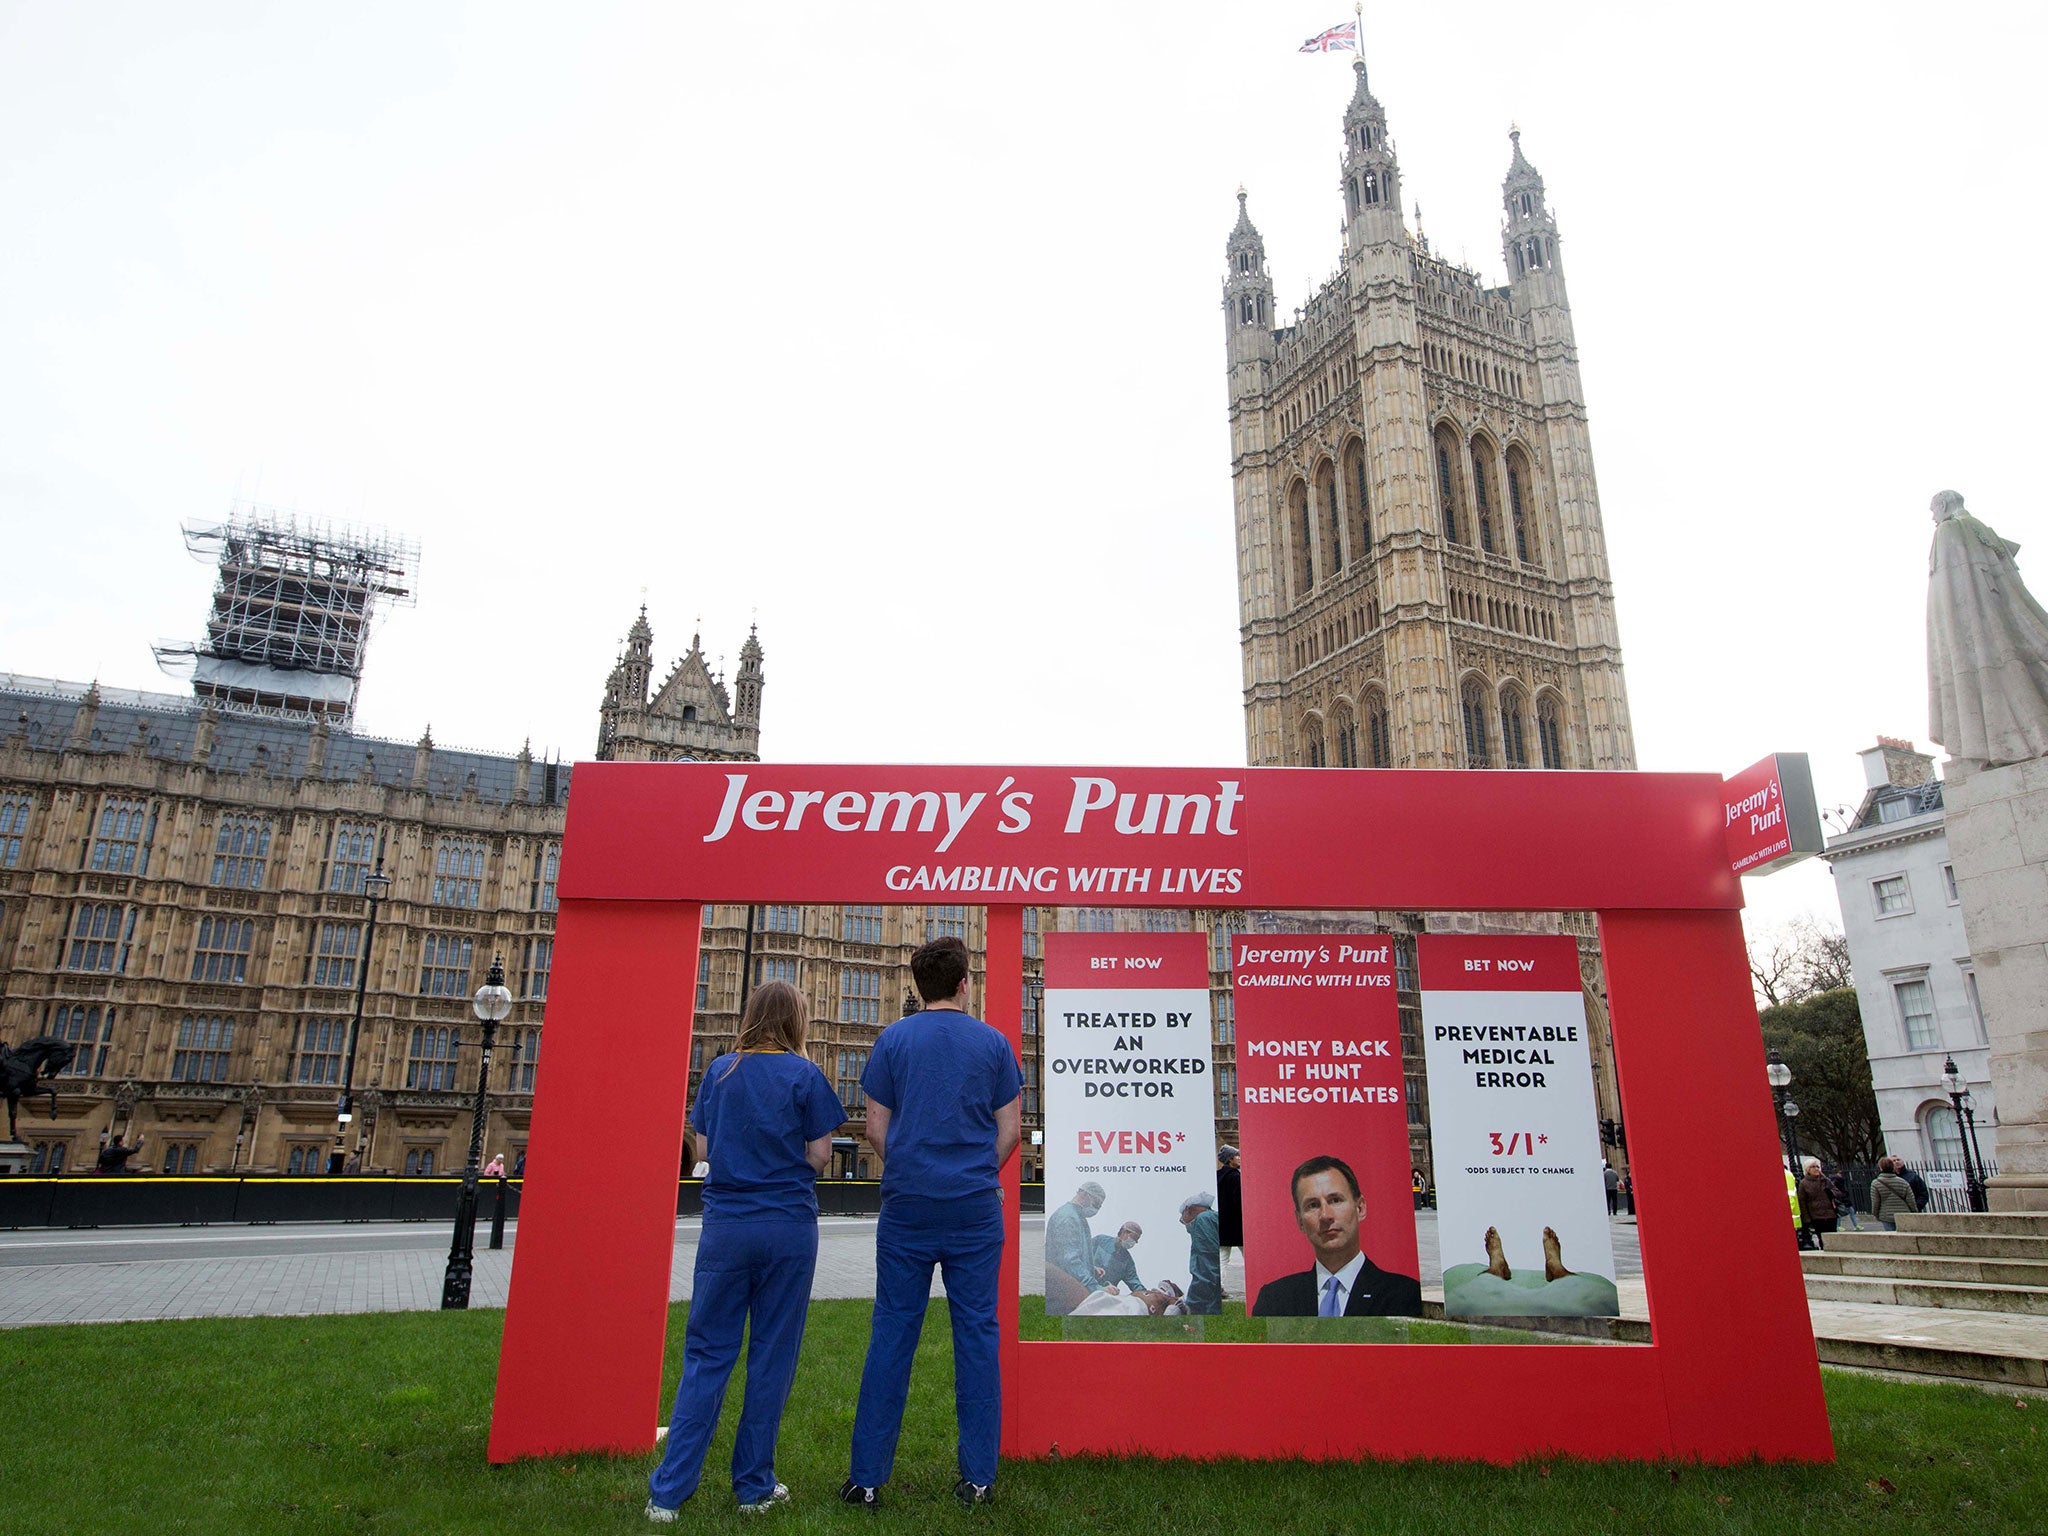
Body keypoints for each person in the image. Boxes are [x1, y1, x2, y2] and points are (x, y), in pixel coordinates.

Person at [645, 981, 846, 1521]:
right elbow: (822, 1156)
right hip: (786, 1227)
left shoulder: (720, 1072)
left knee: (708, 1356)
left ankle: (667, 1493)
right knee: (771, 1359)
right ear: (795, 1022)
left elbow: (705, 1150)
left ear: (752, 1016)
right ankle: (754, 1485)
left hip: (727, 1226)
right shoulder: (805, 1074)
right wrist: (782, 1164)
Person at [844, 936, 1021, 1510]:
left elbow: (875, 1129)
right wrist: (970, 1172)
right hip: (973, 1209)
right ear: (965, 983)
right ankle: (977, 1480)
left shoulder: (892, 1039)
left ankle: (867, 1480)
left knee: (892, 1333)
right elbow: (1011, 1131)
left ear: (918, 987)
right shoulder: (994, 1043)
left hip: (907, 1209)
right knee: (976, 1336)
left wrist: (915, 1171)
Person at [1252, 1154, 1422, 1318]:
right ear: (1300, 1221)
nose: (1325, 1215)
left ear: (1360, 1208)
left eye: (1335, 1200)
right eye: (1313, 1205)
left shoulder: (1404, 1295)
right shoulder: (1274, 1300)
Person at [1044, 1182, 1106, 1315]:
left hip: (1069, 1285)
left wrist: (1090, 1267)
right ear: (1085, 1194)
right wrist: (1098, 1290)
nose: (1096, 1209)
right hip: (1063, 1291)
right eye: (1096, 1204)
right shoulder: (1068, 1218)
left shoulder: (1076, 1216)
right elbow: (1069, 1262)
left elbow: (1070, 1252)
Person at [1180, 1192, 1222, 1314]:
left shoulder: (1202, 1220)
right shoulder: (1213, 1217)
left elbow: (1206, 1268)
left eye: (1182, 1220)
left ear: (1188, 1210)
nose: (1185, 1225)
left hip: (1208, 1301)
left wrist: (1192, 1304)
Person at [1068, 1279, 1186, 1317]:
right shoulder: (1145, 1290)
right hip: (1114, 1300)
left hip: (1133, 1311)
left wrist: (1174, 1309)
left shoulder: (1173, 1301)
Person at [1089, 1222, 1145, 1294]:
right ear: (1124, 1232)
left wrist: (1147, 1293)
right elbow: (1082, 1254)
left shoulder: (1127, 1261)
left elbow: (1134, 1282)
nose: (1134, 1242)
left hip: (1104, 1294)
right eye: (1133, 1238)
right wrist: (1093, 1268)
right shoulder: (1101, 1240)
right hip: (1085, 1284)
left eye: (1136, 1240)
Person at [1796, 1159, 1837, 1250]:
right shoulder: (1804, 1183)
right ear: (1807, 1170)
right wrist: (1807, 1218)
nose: (1816, 1169)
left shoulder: (1825, 1180)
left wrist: (1831, 1192)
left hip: (1830, 1214)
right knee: (1822, 1239)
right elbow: (1802, 1201)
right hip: (1816, 1216)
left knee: (1834, 1238)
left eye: (1817, 1166)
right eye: (1813, 1167)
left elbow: (1836, 1192)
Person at [1216, 1146, 1243, 1281]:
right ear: (1230, 1159)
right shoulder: (1236, 1177)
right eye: (1236, 1156)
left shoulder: (1217, 1175)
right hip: (1237, 1224)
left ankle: (1218, 1286)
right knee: (1249, 1257)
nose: (1239, 1158)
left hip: (1223, 1224)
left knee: (1222, 1258)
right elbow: (1238, 1201)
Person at [1870, 1156, 1918, 1231]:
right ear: (1893, 1167)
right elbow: (1911, 1200)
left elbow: (1875, 1202)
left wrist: (1876, 1214)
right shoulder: (1903, 1182)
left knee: (1892, 1239)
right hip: (1903, 1214)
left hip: (1886, 1215)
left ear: (1881, 1168)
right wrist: (1914, 1212)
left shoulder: (1876, 1183)